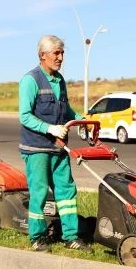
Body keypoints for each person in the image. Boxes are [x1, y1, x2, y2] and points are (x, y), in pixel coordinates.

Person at [19, 35, 90, 252]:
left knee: (67, 192)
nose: (60, 58)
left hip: (58, 148)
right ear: (43, 55)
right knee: (39, 192)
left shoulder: (59, 80)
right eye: (56, 53)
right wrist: (49, 128)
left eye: (62, 53)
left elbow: (65, 109)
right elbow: (25, 116)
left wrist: (81, 120)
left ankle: (71, 236)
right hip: (37, 148)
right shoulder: (30, 80)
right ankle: (37, 237)